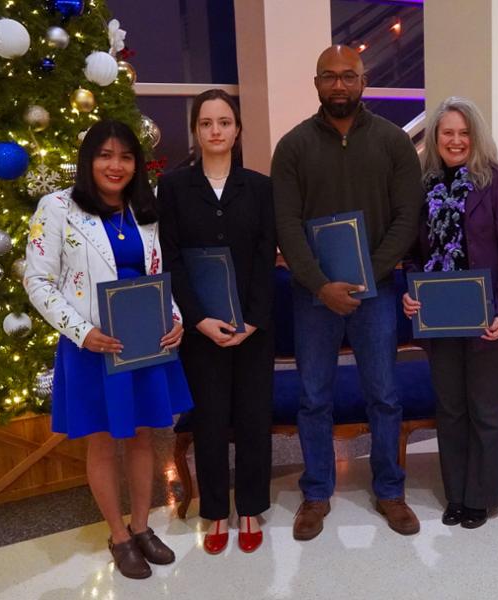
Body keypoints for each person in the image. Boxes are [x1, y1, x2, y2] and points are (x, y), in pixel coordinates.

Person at [24, 120, 192, 579]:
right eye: (105, 155)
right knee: (102, 442)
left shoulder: (144, 209)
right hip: (92, 346)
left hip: (144, 341)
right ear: (89, 160)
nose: (115, 165)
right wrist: (81, 331)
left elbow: (158, 274)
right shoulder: (57, 208)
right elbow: (36, 280)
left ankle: (141, 527)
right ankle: (118, 536)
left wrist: (174, 316)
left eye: (125, 156)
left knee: (142, 436)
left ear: (136, 164)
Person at [271, 45, 424, 539]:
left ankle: (390, 490)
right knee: (314, 397)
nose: (340, 85)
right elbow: (286, 225)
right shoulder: (293, 146)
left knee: (384, 395)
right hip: (311, 295)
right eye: (330, 77)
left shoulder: (393, 142)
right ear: (316, 83)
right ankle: (316, 493)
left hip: (375, 291)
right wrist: (320, 283)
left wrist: (367, 276)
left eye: (349, 77)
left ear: (364, 80)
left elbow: (407, 217)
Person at [401, 97, 498, 529]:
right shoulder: (421, 186)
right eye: (447, 133)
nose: (456, 140)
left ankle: (481, 497)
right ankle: (456, 494)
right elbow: (411, 256)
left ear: (475, 137)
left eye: (463, 133)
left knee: (483, 408)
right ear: (435, 138)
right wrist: (411, 293)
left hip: (490, 319)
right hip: (440, 317)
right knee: (451, 409)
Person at [158, 90, 275, 554]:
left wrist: (252, 321)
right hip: (201, 330)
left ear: (237, 129)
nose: (215, 131)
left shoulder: (260, 186)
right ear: (196, 131)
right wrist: (197, 319)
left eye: (224, 122)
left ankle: (249, 507)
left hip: (251, 327)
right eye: (206, 123)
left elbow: (267, 258)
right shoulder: (173, 187)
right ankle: (213, 512)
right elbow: (171, 259)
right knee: (208, 421)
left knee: (251, 418)